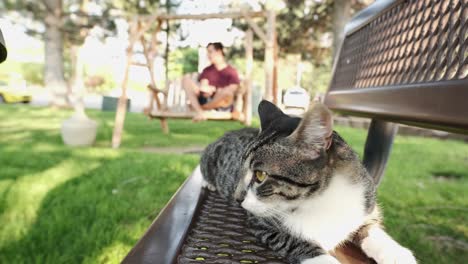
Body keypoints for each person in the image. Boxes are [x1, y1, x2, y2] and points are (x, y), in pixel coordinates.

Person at [182, 42, 240, 121]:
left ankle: (203, 109)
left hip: (221, 104)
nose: (208, 55)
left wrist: (216, 90)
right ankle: (200, 111)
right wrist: (206, 90)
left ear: (219, 52)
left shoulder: (231, 71)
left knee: (226, 92)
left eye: (210, 52)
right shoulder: (207, 70)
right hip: (206, 99)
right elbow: (203, 86)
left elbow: (232, 90)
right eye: (207, 52)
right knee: (186, 79)